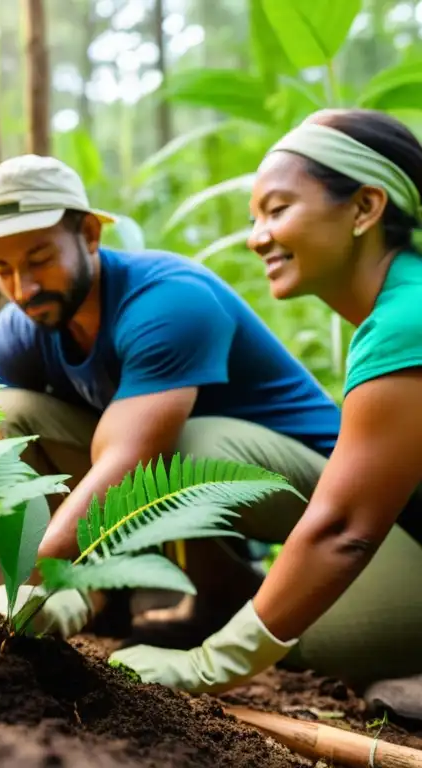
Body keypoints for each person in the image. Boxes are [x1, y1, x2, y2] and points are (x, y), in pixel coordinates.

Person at [110, 109, 422, 714]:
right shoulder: (399, 303)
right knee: (195, 451)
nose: (257, 238)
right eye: (256, 217)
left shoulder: (406, 320)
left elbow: (345, 528)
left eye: (277, 211)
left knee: (315, 636)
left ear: (365, 208)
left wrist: (214, 662)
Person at [0, 154, 343, 643]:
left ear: (90, 235)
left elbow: (127, 457)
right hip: (203, 487)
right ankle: (107, 600)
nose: (24, 287)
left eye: (40, 260)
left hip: (323, 490)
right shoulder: (21, 329)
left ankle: (231, 602)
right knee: (7, 414)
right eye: (3, 269)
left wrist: (28, 582)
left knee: (184, 447)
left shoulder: (167, 300)